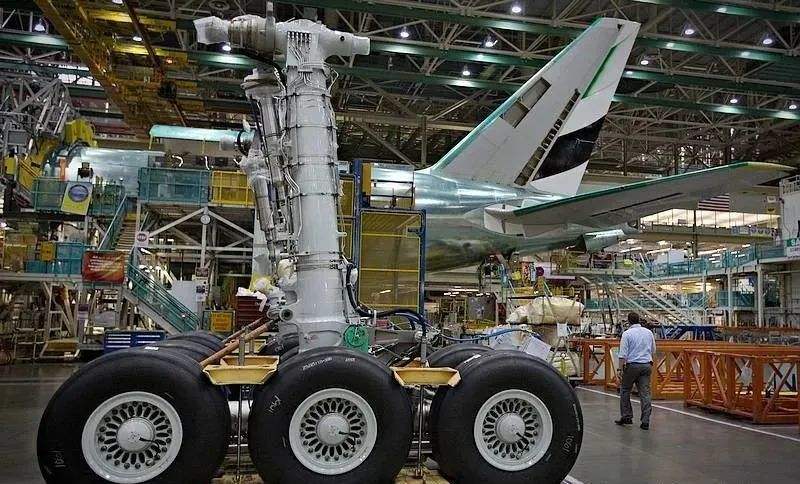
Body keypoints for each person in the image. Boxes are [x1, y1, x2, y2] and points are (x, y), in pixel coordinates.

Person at [614, 312, 656, 430]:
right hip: (646, 365)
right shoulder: (649, 333)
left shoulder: (627, 334)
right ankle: (645, 421)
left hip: (632, 366)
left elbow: (622, 354)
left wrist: (619, 369)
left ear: (628, 321)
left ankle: (627, 416)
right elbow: (653, 350)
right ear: (639, 320)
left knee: (625, 390)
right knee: (645, 393)